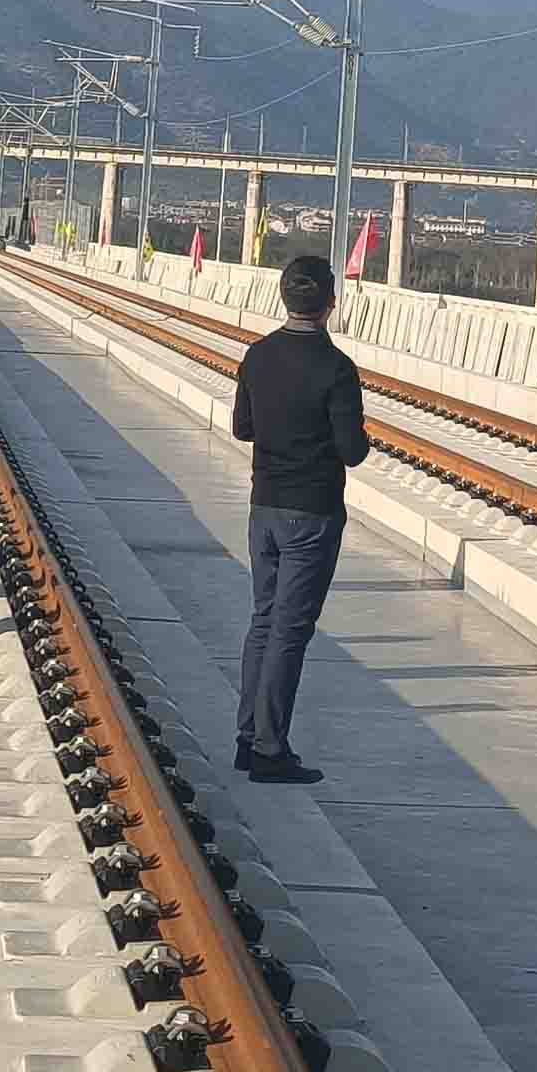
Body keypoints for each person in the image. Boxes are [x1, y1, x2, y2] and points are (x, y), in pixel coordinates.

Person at [227, 249, 368, 784]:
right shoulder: (337, 368)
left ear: (284, 297)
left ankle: (248, 739)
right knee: (290, 629)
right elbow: (352, 451)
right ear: (331, 303)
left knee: (263, 620)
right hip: (312, 512)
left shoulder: (258, 356)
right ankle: (270, 750)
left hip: (263, 506)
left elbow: (243, 428)